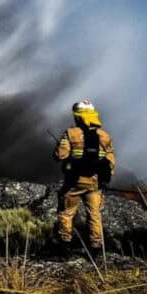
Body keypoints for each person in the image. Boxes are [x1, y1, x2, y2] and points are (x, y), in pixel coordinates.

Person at [53, 100, 116, 250]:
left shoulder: (71, 133)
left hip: (74, 182)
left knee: (66, 212)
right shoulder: (105, 136)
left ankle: (65, 244)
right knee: (94, 214)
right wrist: (104, 179)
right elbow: (111, 161)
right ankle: (96, 246)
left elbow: (59, 155)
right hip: (95, 183)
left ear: (78, 117)